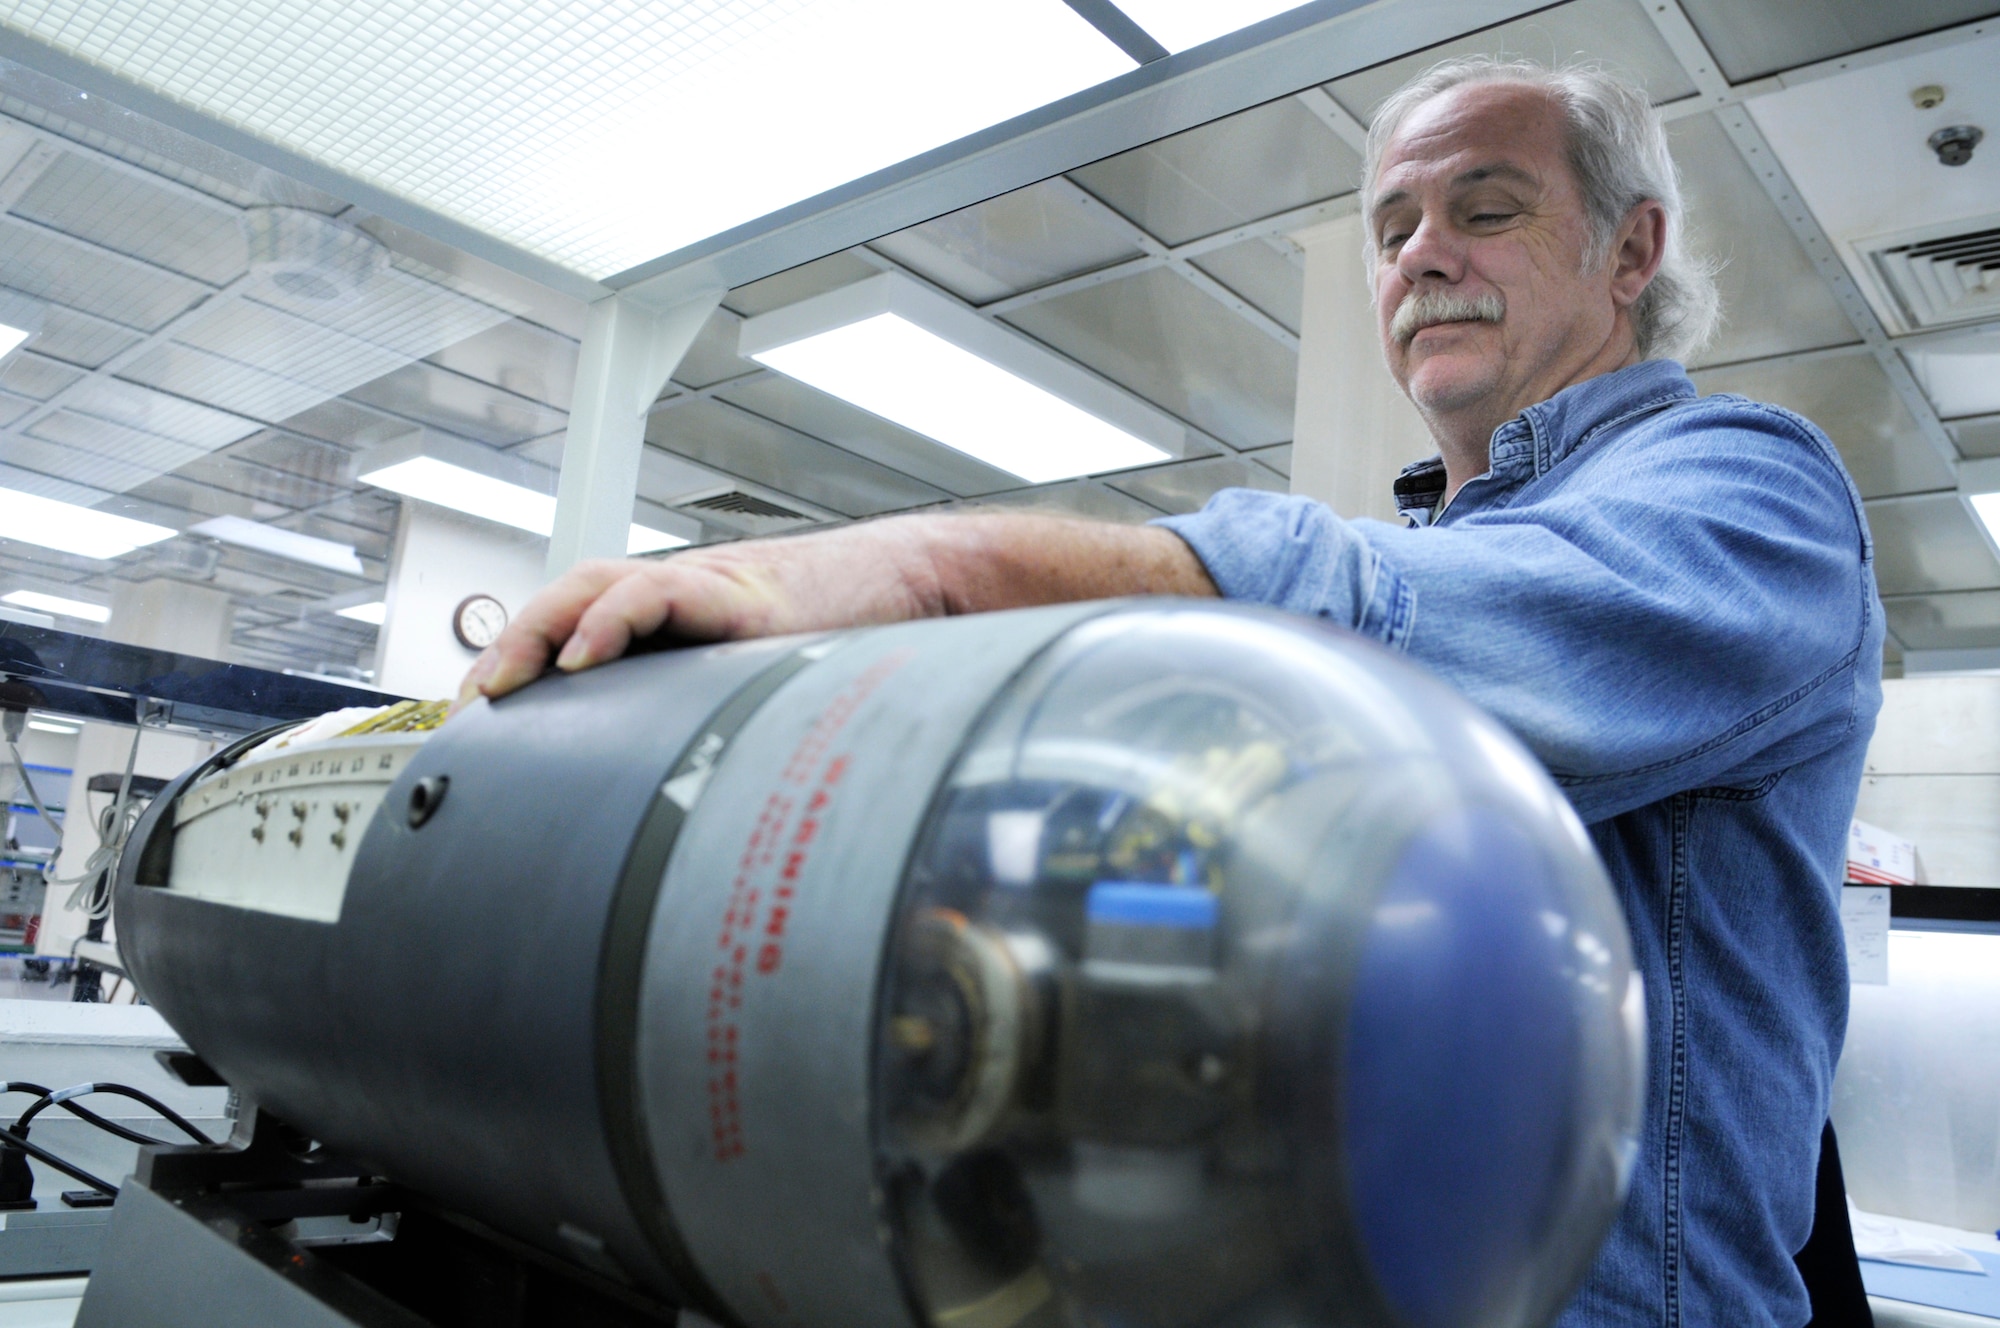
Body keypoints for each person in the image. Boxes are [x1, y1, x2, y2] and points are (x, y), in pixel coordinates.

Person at [459, 58, 1883, 1328]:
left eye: (1485, 208)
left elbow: (1395, 644)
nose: (1421, 256)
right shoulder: (1426, 542)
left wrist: (927, 575)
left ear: (1631, 249)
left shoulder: (1751, 495)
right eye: (1391, 230)